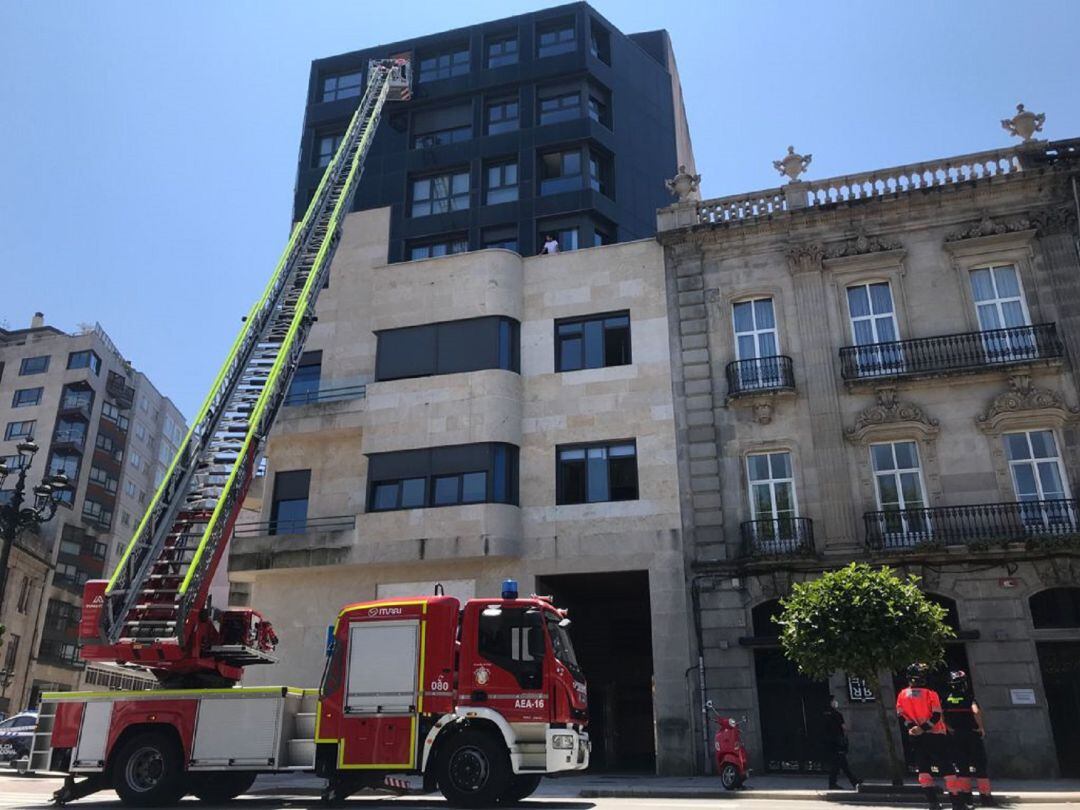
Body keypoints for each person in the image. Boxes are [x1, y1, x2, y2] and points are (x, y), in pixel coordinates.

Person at [896, 663, 954, 810]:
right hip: (935, 735)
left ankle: (933, 803)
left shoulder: (902, 695)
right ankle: (958, 803)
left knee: (923, 770)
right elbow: (936, 715)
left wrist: (913, 728)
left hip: (916, 737)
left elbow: (901, 716)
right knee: (947, 769)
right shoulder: (930, 693)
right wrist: (923, 728)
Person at [944, 670, 994, 807]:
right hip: (972, 734)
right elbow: (975, 711)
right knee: (980, 766)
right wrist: (981, 727)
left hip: (956, 735)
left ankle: (967, 798)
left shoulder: (947, 699)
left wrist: (949, 728)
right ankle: (985, 797)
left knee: (962, 767)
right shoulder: (969, 697)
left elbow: (941, 715)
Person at [822, 695, 861, 790]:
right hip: (838, 741)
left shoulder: (824, 714)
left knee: (841, 763)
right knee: (839, 763)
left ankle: (853, 781)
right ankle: (849, 782)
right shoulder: (837, 714)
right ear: (831, 702)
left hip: (829, 742)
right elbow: (844, 727)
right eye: (834, 701)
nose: (835, 702)